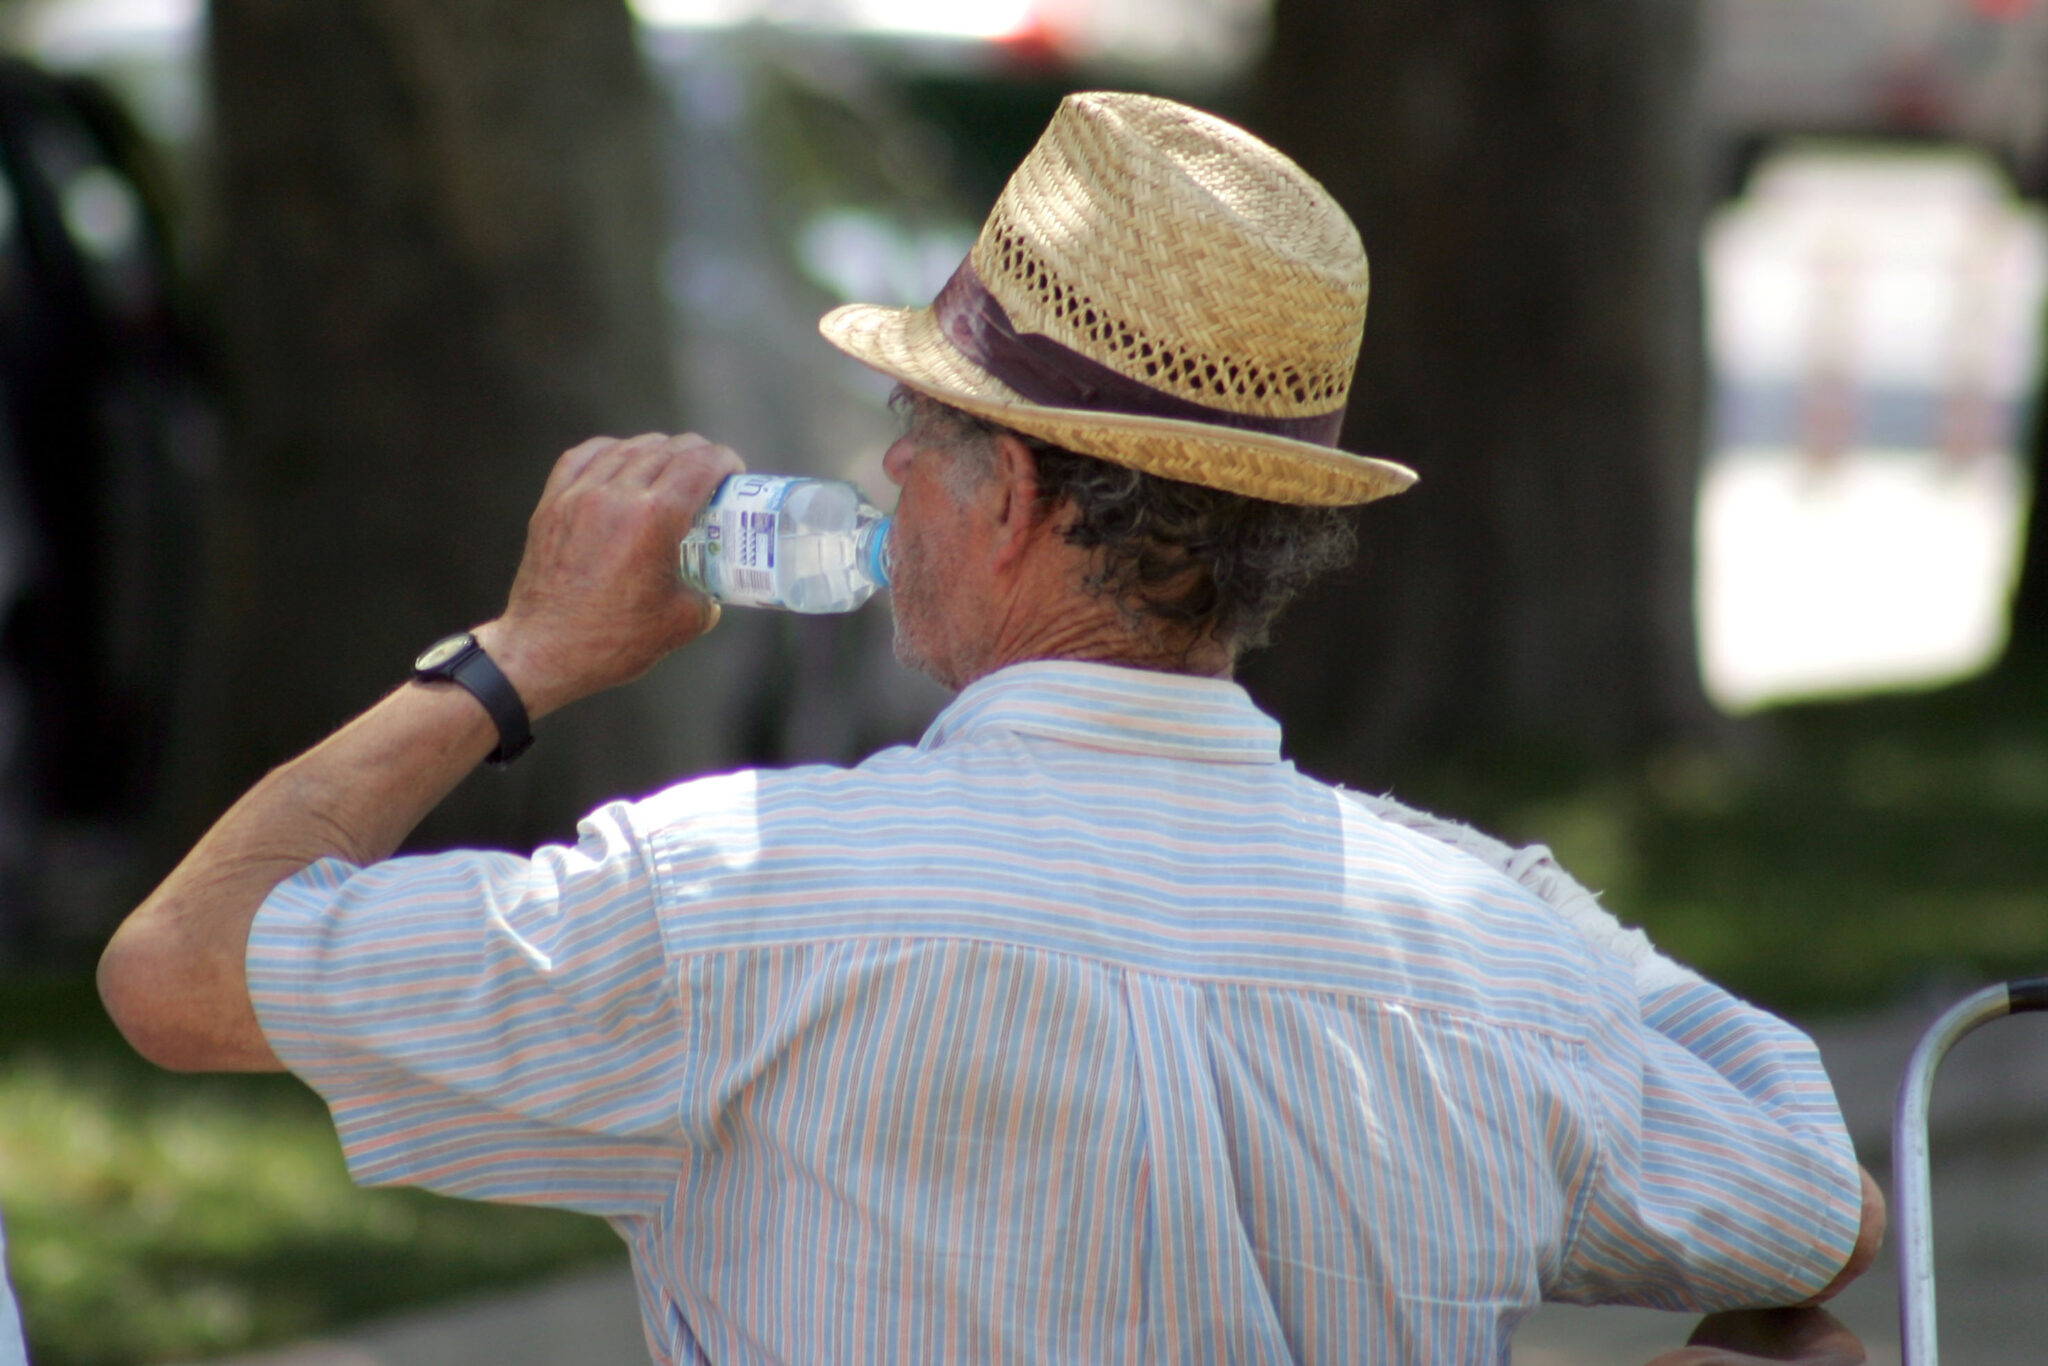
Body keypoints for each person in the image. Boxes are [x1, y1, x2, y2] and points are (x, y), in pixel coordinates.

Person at [98, 92, 1882, 1364]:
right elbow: (1828, 1202)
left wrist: (520, 654)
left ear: (1012, 492)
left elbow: (176, 970)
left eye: (918, 426)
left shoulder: (734, 901)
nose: (884, 468)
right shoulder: (1483, 943)